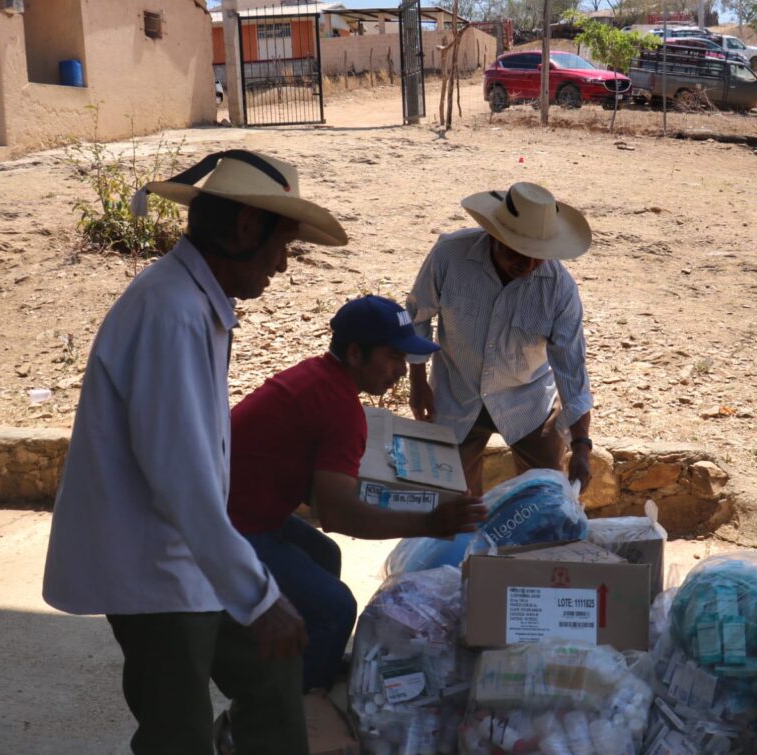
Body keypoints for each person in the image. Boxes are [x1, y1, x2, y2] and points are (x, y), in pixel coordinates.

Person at [42, 150, 348, 755]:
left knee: (274, 667)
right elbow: (182, 483)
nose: (282, 264)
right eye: (281, 243)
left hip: (186, 560)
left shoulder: (191, 301)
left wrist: (254, 590)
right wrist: (258, 596)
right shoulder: (173, 311)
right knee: (176, 741)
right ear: (244, 230)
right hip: (155, 572)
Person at [227, 295, 488, 693]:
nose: (402, 371)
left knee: (325, 556)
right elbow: (338, 515)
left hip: (245, 509)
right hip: (231, 528)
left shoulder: (319, 377)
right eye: (394, 357)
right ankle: (294, 706)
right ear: (354, 353)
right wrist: (430, 523)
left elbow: (328, 496)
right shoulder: (338, 406)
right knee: (337, 608)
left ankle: (305, 655)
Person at [406, 181, 595, 497]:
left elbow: (572, 371)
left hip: (529, 401)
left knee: (547, 499)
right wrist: (417, 379)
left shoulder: (559, 289)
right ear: (493, 234)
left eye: (538, 255)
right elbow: (417, 315)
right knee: (454, 505)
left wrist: (581, 446)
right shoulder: (450, 256)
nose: (528, 264)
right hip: (456, 393)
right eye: (517, 251)